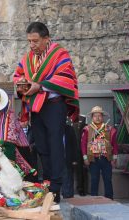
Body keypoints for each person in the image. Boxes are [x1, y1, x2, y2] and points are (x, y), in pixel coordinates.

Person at [13, 22, 79, 203]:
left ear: (46, 39)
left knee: (55, 145)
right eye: (29, 41)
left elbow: (66, 78)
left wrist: (40, 85)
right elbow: (18, 75)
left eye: (35, 41)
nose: (32, 45)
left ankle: (56, 187)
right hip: (36, 107)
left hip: (54, 106)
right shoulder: (27, 58)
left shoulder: (60, 54)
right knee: (41, 146)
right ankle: (47, 182)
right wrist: (22, 85)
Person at [81, 106, 118, 200]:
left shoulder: (109, 129)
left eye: (99, 116)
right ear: (92, 117)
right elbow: (83, 144)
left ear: (103, 117)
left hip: (106, 158)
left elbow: (114, 144)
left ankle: (109, 198)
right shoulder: (87, 129)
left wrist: (115, 158)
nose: (97, 118)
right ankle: (94, 198)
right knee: (94, 179)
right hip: (93, 159)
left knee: (108, 179)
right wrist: (85, 157)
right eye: (95, 116)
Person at [18, 112, 39, 183]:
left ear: (28, 120)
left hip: (31, 154)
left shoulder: (33, 130)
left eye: (25, 121)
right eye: (21, 121)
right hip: (21, 155)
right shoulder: (16, 130)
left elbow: (38, 141)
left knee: (33, 170)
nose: (23, 123)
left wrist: (32, 146)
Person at [61, 118, 78, 199]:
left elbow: (74, 144)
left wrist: (75, 159)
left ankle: (69, 195)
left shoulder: (69, 129)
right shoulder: (55, 129)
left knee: (69, 176)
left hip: (69, 157)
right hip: (58, 158)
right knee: (62, 176)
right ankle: (64, 193)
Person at [73, 115, 88, 196]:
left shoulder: (83, 121)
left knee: (80, 171)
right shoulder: (68, 120)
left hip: (81, 151)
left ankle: (81, 189)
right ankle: (68, 189)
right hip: (71, 150)